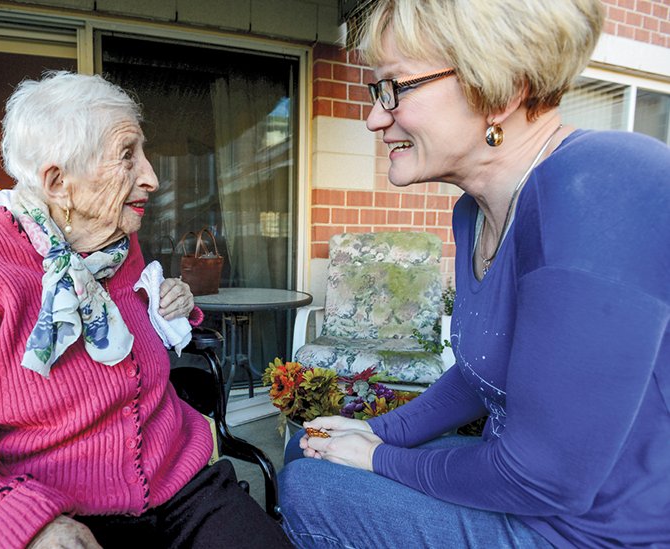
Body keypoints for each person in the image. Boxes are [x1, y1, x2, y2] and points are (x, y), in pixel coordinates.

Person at [278, 1, 670, 547]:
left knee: (307, 485)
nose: (374, 116)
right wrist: (373, 430)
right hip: (518, 487)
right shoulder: (474, 212)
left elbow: (543, 480)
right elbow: (480, 370)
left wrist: (379, 458)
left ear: (500, 90)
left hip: (588, 530)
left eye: (396, 87)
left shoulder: (602, 186)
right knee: (309, 444)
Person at [0, 72, 292, 549]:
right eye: (127, 155)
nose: (152, 178)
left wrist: (177, 304)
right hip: (59, 509)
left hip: (183, 486)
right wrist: (29, 524)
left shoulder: (119, 242)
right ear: (58, 183)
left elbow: (136, 327)